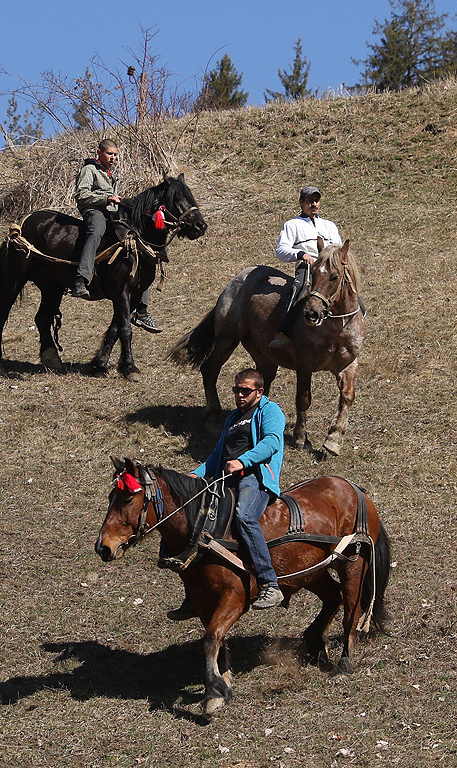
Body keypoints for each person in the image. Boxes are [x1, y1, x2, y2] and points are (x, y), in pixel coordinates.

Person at [168, 368, 286, 619]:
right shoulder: (233, 417)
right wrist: (196, 474)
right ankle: (193, 595)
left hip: (254, 478)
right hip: (224, 480)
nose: (240, 395)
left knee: (245, 516)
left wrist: (243, 461)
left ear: (259, 391)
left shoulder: (270, 411)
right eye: (236, 390)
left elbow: (272, 442)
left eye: (246, 390)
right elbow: (217, 455)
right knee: (194, 522)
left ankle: (269, 584)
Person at [72, 139, 161, 332]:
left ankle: (142, 310)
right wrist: (106, 198)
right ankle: (81, 278)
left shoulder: (110, 174)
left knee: (137, 242)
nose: (113, 158)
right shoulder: (90, 170)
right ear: (99, 153)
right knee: (96, 231)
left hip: (112, 213)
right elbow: (81, 195)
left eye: (115, 155)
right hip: (94, 211)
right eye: (110, 154)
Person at [269, 185, 342, 349]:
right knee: (299, 287)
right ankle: (284, 331)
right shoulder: (292, 224)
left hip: (329, 268)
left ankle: (358, 317)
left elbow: (339, 247)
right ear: (301, 202)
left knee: (346, 287)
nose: (314, 204)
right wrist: (301, 255)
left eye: (316, 201)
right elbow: (281, 250)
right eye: (310, 201)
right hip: (308, 266)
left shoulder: (330, 226)